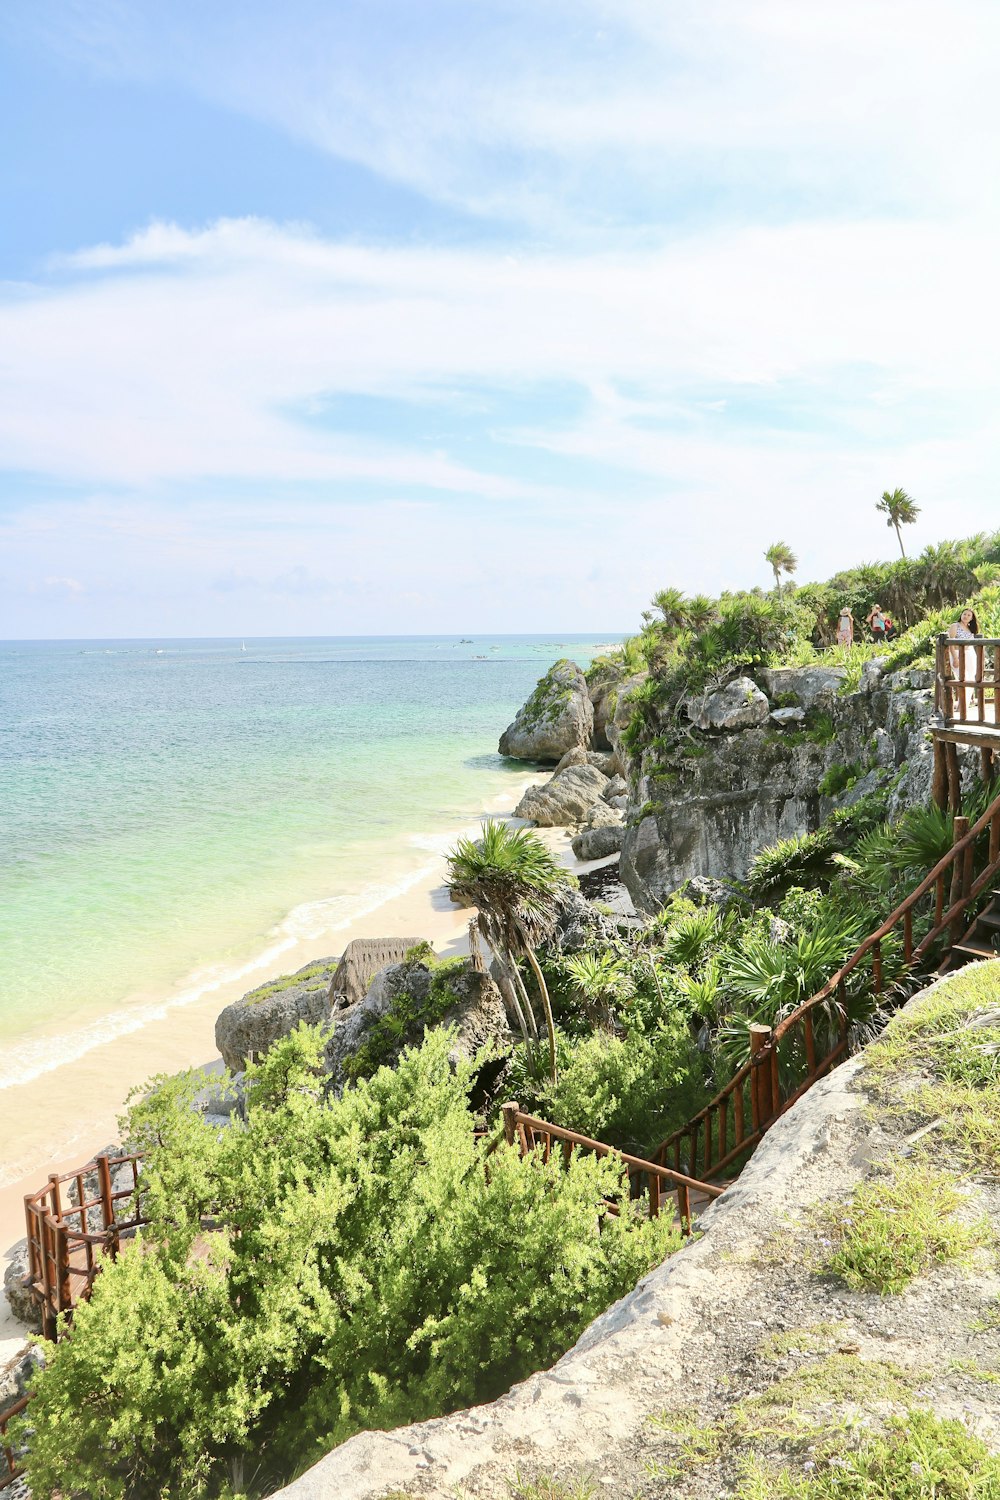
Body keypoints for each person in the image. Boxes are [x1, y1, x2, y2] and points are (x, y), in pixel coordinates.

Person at [948, 608, 981, 716]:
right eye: (964, 614)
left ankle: (963, 706)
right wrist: (955, 658)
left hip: (970, 654)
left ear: (971, 618)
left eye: (968, 615)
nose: (966, 616)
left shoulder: (970, 629)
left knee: (971, 679)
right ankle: (961, 707)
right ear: (961, 615)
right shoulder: (955, 626)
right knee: (962, 678)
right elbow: (950, 643)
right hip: (957, 654)